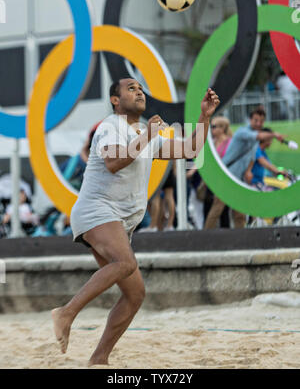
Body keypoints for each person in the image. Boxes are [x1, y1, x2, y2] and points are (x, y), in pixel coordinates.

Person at [51, 78, 220, 366]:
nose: (139, 91)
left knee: (135, 295)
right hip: (96, 211)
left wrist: (204, 116)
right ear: (115, 100)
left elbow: (190, 149)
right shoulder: (110, 126)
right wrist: (148, 136)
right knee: (126, 264)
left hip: (118, 220)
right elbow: (114, 162)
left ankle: (99, 359)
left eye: (141, 88)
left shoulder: (145, 132)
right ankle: (65, 313)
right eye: (131, 88)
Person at [204, 107, 286, 229]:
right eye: (256, 120)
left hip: (239, 180)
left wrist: (248, 171)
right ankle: (205, 238)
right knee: (217, 210)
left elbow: (252, 158)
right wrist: (274, 134)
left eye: (261, 121)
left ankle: (240, 241)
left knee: (240, 214)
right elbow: (257, 136)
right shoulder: (243, 132)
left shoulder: (255, 140)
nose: (258, 123)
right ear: (250, 119)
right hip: (226, 177)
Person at [202, 116, 232, 229]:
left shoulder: (229, 143)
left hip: (223, 181)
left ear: (222, 128)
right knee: (207, 208)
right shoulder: (212, 143)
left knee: (223, 212)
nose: (212, 129)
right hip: (211, 181)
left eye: (213, 127)